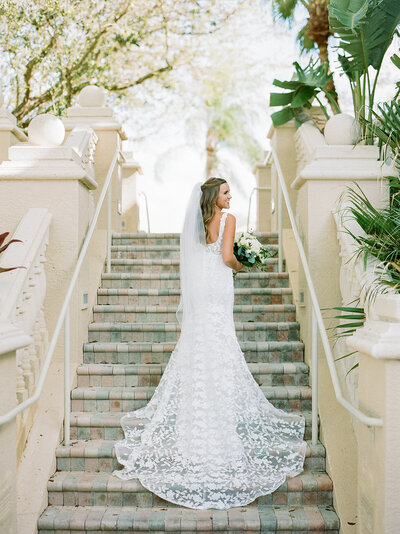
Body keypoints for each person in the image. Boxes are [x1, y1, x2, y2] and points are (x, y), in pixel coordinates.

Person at [113, 177, 307, 510]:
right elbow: (228, 256)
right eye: (226, 192)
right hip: (218, 286)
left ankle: (194, 436)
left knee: (198, 346)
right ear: (215, 197)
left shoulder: (197, 223)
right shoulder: (229, 220)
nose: (231, 197)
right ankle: (219, 431)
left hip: (201, 291)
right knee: (220, 344)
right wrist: (241, 265)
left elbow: (200, 255)